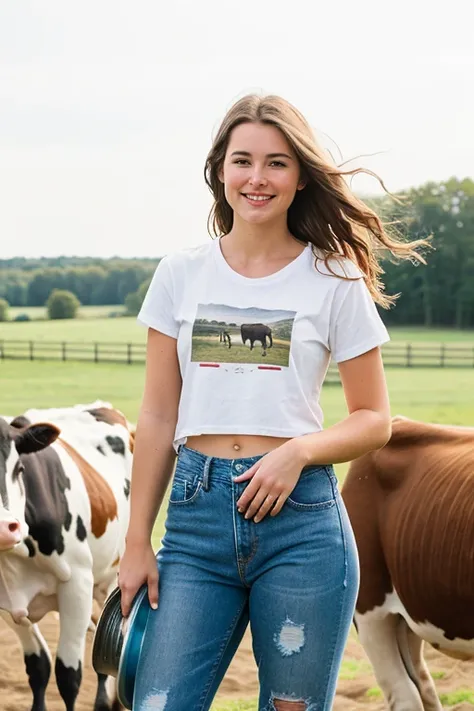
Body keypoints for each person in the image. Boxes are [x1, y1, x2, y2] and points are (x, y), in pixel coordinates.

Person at [118, 94, 427, 710]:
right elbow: (156, 417)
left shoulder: (335, 277)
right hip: (195, 521)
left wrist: (299, 453)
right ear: (221, 171)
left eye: (277, 163)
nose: (257, 178)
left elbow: (375, 419)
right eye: (243, 161)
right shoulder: (180, 273)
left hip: (301, 525)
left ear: (300, 176)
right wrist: (135, 541)